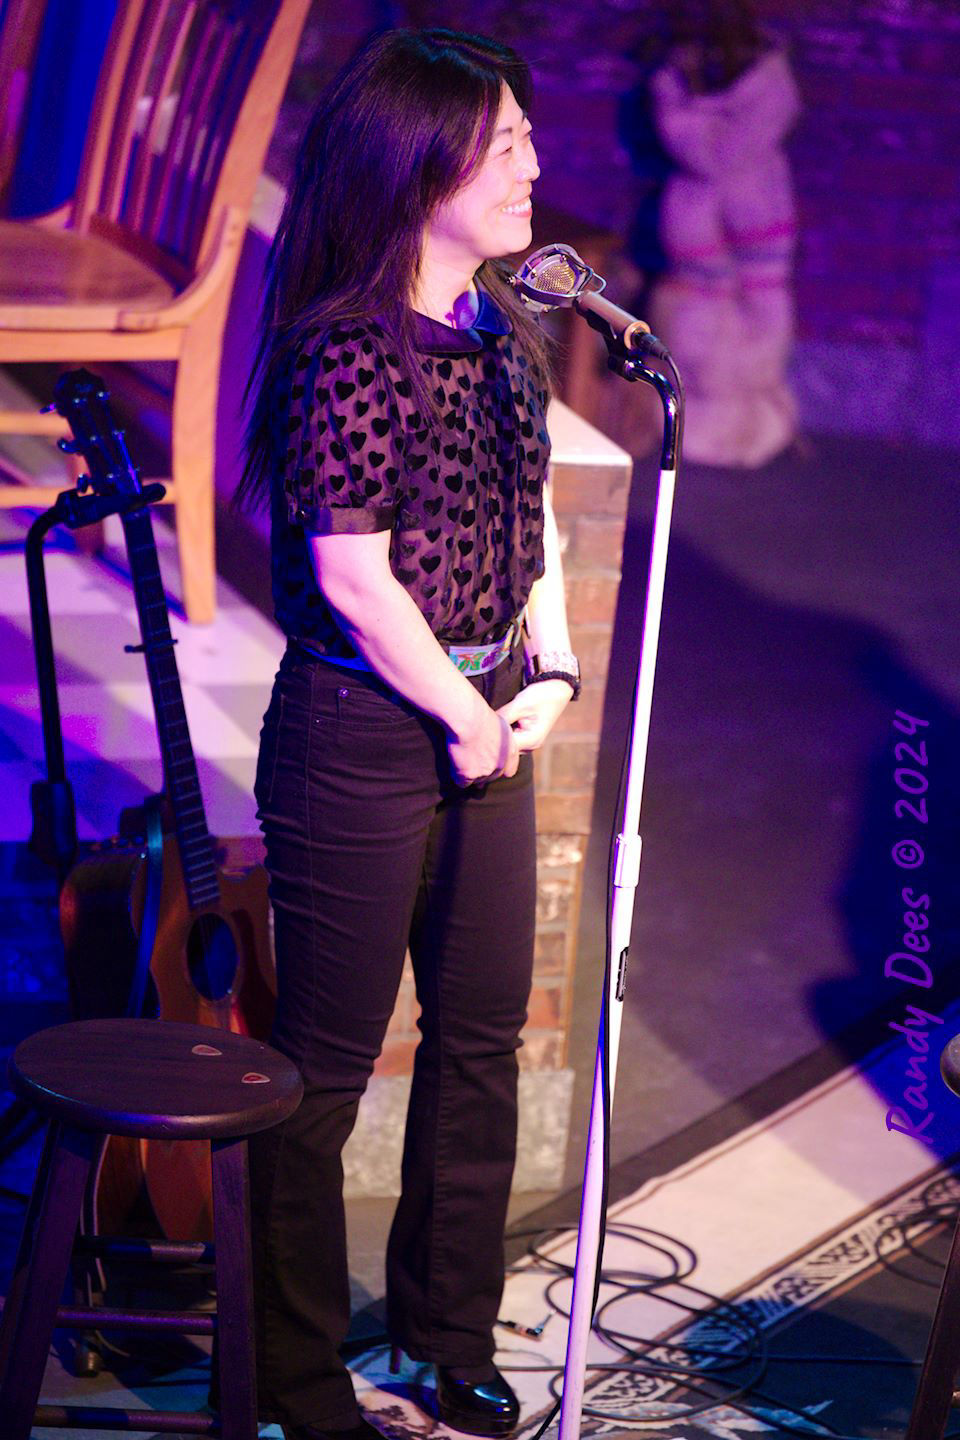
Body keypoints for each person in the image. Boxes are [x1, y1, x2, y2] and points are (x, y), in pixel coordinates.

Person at [237, 27, 579, 1440]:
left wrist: (551, 668)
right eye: (502, 147)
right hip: (362, 735)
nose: (531, 169)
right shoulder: (347, 347)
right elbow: (350, 575)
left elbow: (532, 505)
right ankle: (296, 1378)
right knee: (322, 1073)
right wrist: (463, 716)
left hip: (485, 720)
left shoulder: (500, 330)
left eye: (525, 140)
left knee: (481, 1040)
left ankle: (451, 1337)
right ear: (419, 165)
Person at [641, 0, 801, 466]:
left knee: (750, 319)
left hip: (747, 216)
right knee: (704, 324)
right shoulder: (688, 101)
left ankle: (734, 417)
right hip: (714, 227)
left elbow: (720, 150)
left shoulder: (762, 100)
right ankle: (710, 416)